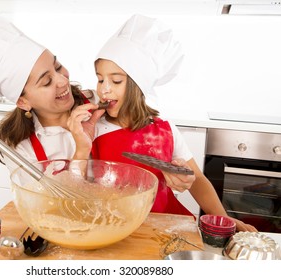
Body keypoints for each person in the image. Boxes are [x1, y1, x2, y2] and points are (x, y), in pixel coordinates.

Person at [69, 14, 257, 232]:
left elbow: (197, 181)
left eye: (116, 80)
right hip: (112, 228)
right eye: (100, 79)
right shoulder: (93, 129)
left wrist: (228, 221)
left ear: (139, 86)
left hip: (164, 228)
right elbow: (74, 189)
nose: (104, 89)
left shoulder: (165, 129)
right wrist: (81, 146)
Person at [0, 13, 103, 173]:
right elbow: (49, 198)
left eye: (57, 67)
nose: (63, 81)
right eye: (47, 82)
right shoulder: (20, 149)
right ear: (23, 102)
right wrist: (82, 151)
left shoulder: (98, 102)